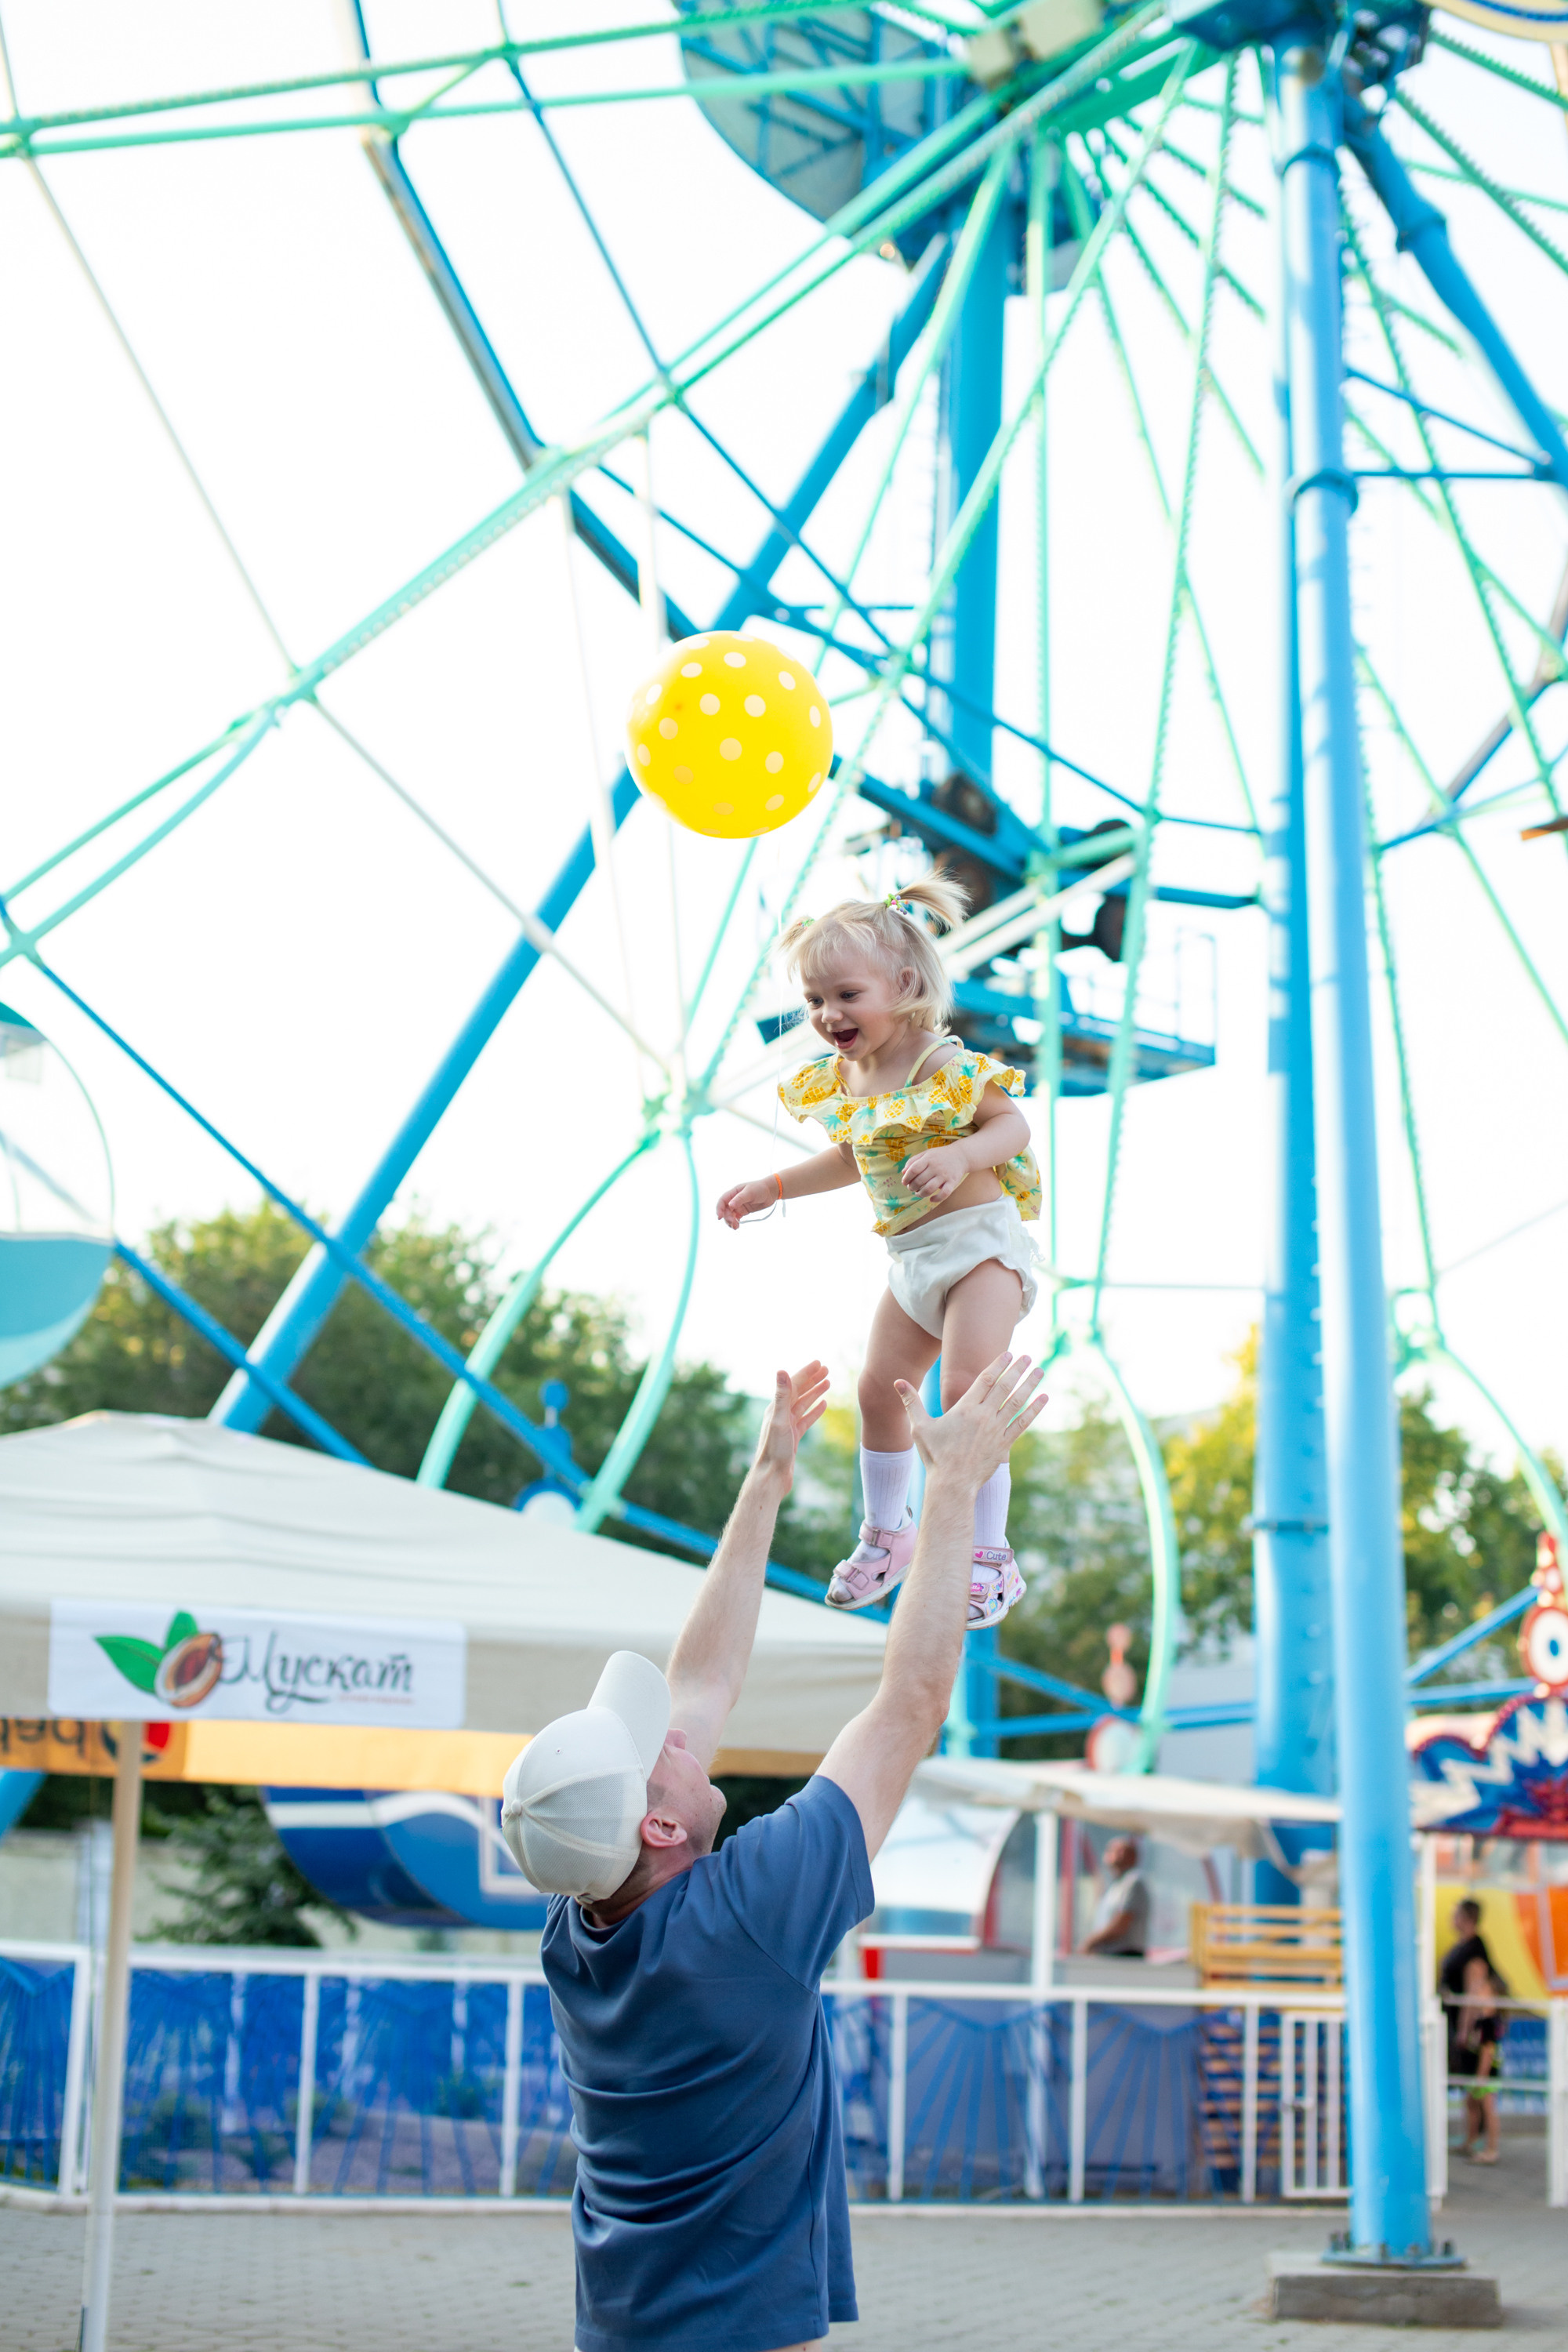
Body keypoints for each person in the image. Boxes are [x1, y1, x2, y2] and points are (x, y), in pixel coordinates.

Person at [502, 1352, 1047, 2352]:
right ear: (658, 1828)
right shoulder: (744, 1917)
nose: (675, 1732)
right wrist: (956, 1487)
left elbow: (700, 1679)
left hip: (621, 2325)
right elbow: (909, 1708)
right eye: (655, 1751)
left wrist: (766, 1482)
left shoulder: (579, 1922)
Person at [717, 876, 1040, 1631]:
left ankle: (990, 1556)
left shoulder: (938, 1063)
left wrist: (962, 1161)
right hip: (914, 1256)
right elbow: (853, 1157)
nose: (829, 1015)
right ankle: (888, 1535)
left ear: (902, 985)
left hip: (982, 1249)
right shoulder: (847, 1078)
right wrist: (773, 1185)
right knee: (878, 1391)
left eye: (846, 996)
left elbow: (1011, 1127)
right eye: (815, 1001)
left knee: (963, 1392)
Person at [1439, 1896, 1504, 2163]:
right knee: (1472, 2097)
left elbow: (1489, 2045)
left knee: (1485, 2098)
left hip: (1483, 2052)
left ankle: (1491, 2148)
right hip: (1473, 2041)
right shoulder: (1473, 2007)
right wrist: (1464, 2031)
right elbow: (1467, 2006)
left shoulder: (1486, 2012)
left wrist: (1481, 2074)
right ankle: (1472, 2140)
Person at [1081, 1835, 1149, 1958]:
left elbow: (1121, 1924)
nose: (1117, 1855)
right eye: (1112, 1851)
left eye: (1123, 1851)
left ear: (1134, 1857)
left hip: (1125, 1956)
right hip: (1109, 1954)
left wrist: (1091, 1941)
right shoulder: (1116, 1885)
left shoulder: (1134, 1882)